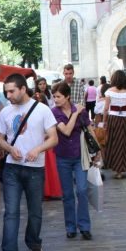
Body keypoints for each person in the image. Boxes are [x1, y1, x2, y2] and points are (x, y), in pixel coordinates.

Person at [0, 73, 58, 251]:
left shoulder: (43, 110)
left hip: (35, 169)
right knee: (10, 212)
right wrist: (10, 149)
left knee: (35, 211)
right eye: (6, 92)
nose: (9, 95)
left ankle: (34, 243)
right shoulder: (5, 113)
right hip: (12, 168)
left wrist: (37, 150)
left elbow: (53, 138)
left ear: (22, 89)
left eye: (12, 91)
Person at [52, 82, 96, 240]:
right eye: (54, 96)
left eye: (58, 96)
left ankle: (84, 226)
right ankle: (70, 227)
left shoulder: (81, 111)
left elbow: (89, 128)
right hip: (62, 156)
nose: (55, 99)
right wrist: (76, 113)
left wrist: (97, 151)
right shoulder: (54, 112)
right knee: (68, 194)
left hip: (80, 156)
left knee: (82, 190)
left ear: (67, 96)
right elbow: (66, 130)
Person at [102, 70, 126, 179]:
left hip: (113, 119)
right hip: (125, 119)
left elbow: (106, 109)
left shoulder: (109, 91)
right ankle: (122, 168)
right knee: (124, 143)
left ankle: (116, 169)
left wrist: (104, 122)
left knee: (114, 143)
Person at [34, 80, 62, 199]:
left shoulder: (48, 112)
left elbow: (52, 130)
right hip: (37, 145)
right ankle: (43, 192)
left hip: (47, 145)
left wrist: (44, 135)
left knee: (49, 169)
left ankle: (51, 191)